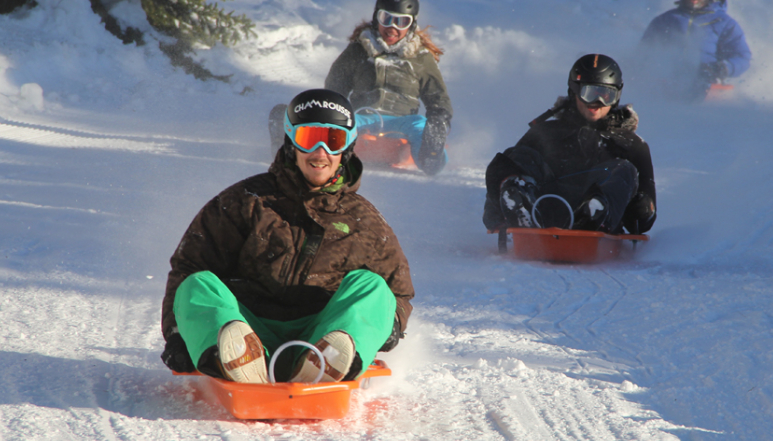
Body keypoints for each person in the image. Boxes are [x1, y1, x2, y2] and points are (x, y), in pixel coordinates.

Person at [160, 89, 413, 385]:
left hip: (319, 331)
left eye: (333, 141)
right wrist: (178, 335)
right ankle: (237, 356)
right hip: (248, 326)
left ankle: (327, 358)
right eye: (309, 139)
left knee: (372, 287)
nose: (320, 153)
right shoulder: (247, 200)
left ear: (347, 148)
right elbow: (189, 266)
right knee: (198, 283)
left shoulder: (364, 221)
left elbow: (397, 293)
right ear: (292, 142)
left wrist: (388, 326)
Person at [271, 0, 453, 176]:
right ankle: (288, 144)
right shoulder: (358, 50)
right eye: (386, 18)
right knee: (331, 129)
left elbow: (439, 100)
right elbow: (334, 89)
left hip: (403, 122)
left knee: (420, 125)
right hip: (362, 118)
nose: (393, 27)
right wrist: (329, 118)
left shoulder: (421, 58)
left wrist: (437, 125)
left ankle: (431, 157)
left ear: (412, 24)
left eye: (402, 21)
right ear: (376, 18)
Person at [482, 54, 656, 236]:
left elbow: (644, 220)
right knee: (519, 155)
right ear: (574, 91)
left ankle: (594, 212)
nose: (597, 103)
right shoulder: (545, 132)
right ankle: (520, 211)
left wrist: (640, 204)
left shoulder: (631, 145)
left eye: (605, 95)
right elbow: (506, 171)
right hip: (542, 213)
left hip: (598, 227)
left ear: (616, 96)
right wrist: (497, 214)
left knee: (624, 169)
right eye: (589, 93)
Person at [639, 0, 752, 100]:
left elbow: (742, 57)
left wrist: (724, 68)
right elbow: (643, 53)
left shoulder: (724, 22)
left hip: (706, 86)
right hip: (665, 85)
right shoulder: (665, 20)